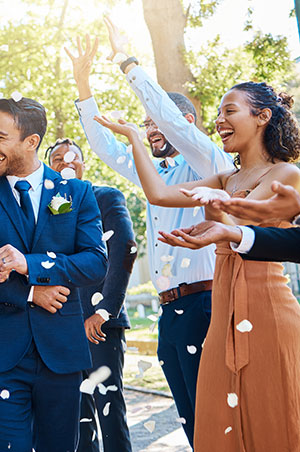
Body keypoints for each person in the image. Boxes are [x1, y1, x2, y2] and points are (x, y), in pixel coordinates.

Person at [97, 80, 300, 451]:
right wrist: (132, 138)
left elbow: (241, 229)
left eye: (230, 111)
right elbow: (157, 193)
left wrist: (221, 205)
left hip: (268, 308)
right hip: (223, 311)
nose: (220, 120)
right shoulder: (226, 177)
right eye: (220, 112)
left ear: (262, 117)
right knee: (217, 420)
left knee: (270, 415)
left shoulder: (285, 174)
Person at [67, 26, 234, 444]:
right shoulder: (153, 174)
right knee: (190, 417)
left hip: (206, 300)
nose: (150, 130)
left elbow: (170, 117)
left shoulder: (206, 160)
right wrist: (83, 85)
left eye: (154, 124)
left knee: (213, 414)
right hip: (170, 309)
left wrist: (127, 62)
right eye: (146, 126)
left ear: (185, 125)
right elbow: (107, 148)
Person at [0, 97, 107, 452]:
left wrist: (29, 265)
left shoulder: (77, 193)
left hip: (61, 354)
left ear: (31, 142)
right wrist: (30, 293)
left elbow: (96, 262)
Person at [47, 139, 136, 452]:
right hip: (58, 330)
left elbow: (125, 249)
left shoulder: (105, 197)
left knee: (110, 409)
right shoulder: (42, 212)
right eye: (57, 158)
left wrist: (105, 311)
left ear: (84, 164)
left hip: (100, 326)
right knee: (76, 418)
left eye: (73, 156)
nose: (66, 161)